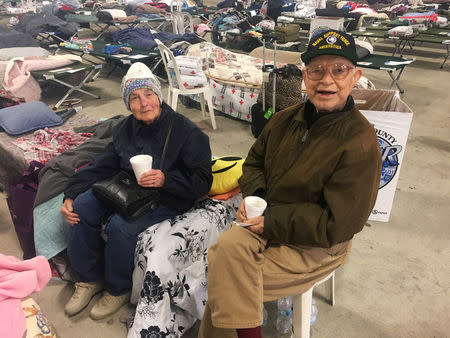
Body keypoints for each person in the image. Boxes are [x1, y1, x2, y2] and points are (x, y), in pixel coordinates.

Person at [198, 30, 382, 338]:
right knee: (226, 250)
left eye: (339, 69)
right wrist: (255, 198)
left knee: (226, 275)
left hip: (318, 244)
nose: (326, 80)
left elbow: (338, 224)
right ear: (304, 76)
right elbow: (254, 162)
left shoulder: (359, 143)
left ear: (355, 76)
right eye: (317, 70)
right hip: (268, 222)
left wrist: (271, 221)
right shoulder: (285, 119)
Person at [60, 62, 213, 320]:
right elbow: (102, 164)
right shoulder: (124, 128)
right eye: (135, 98)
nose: (143, 103)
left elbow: (202, 180)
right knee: (83, 207)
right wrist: (71, 192)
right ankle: (88, 278)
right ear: (127, 104)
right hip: (129, 188)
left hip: (169, 195)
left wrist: (166, 179)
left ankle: (118, 288)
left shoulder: (186, 132)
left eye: (149, 95)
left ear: (159, 97)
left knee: (121, 227)